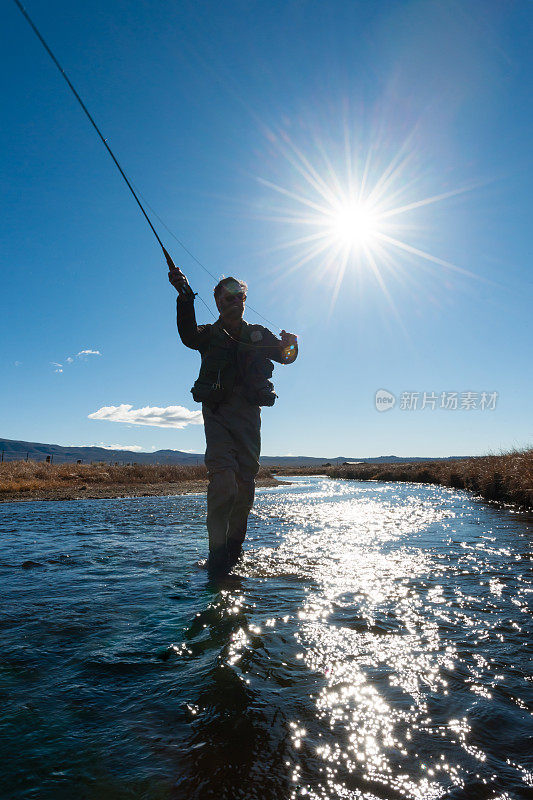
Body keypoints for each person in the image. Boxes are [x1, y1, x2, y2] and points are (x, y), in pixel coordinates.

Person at [168, 261, 298, 576]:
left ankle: (234, 551)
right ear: (217, 302)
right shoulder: (208, 335)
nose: (234, 301)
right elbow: (187, 334)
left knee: (245, 483)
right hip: (217, 413)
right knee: (223, 480)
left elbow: (286, 357)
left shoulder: (258, 334)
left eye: (239, 296)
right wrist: (184, 294)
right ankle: (216, 555)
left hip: (249, 417)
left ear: (244, 299)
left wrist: (293, 342)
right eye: (227, 298)